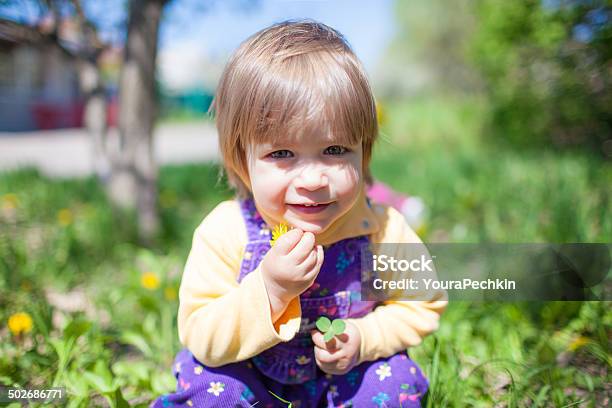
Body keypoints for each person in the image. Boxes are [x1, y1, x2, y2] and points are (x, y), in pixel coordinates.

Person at [151, 20, 446, 408]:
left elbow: (421, 301)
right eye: (282, 154)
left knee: (396, 382)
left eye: (335, 150)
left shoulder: (380, 229)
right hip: (249, 374)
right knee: (211, 387)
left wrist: (365, 339)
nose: (311, 179)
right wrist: (270, 290)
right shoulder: (227, 231)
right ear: (244, 162)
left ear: (364, 152)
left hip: (343, 379)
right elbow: (201, 334)